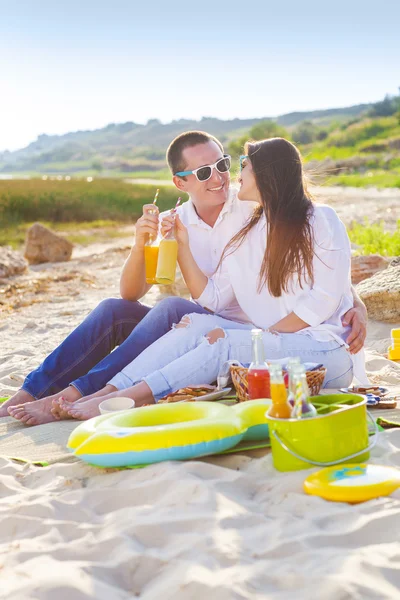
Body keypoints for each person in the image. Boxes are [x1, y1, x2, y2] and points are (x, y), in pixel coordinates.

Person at [6, 133, 367, 425]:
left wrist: (357, 303)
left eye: (225, 164)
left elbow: (319, 271)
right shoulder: (182, 221)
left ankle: (83, 395)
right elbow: (137, 293)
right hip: (223, 318)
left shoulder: (252, 209)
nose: (223, 177)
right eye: (205, 172)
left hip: (267, 328)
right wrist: (147, 244)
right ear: (180, 182)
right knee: (116, 310)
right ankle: (36, 391)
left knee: (173, 309)